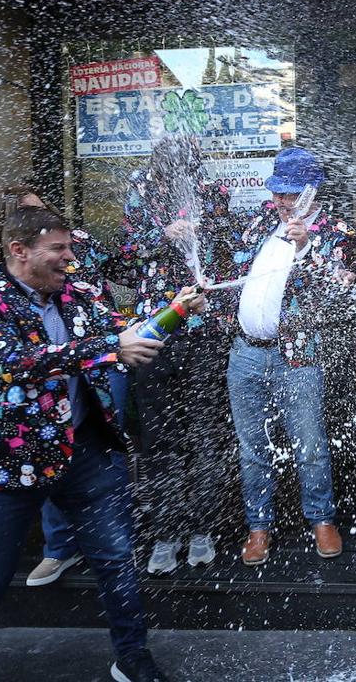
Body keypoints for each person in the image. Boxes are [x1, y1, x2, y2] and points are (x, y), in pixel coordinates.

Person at [0, 206, 200, 682]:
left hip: (87, 451)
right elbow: (12, 364)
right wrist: (107, 349)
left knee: (116, 561)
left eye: (70, 247)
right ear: (20, 251)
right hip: (14, 461)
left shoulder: (78, 294)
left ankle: (131, 657)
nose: (70, 257)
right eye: (59, 249)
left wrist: (178, 308)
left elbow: (126, 335)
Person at [0, 184, 133, 589]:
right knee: (52, 452)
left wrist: (168, 307)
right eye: (32, 216)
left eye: (45, 213)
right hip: (44, 386)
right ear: (14, 241)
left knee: (100, 453)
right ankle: (60, 548)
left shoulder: (74, 245)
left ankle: (111, 542)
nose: (47, 224)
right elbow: (8, 360)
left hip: (102, 360)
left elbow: (124, 266)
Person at [227, 147, 356, 566]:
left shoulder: (335, 233)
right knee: (253, 448)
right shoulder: (260, 224)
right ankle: (259, 527)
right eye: (278, 194)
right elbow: (230, 272)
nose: (282, 203)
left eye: (290, 195)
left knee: (311, 444)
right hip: (246, 353)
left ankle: (322, 519)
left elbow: (343, 293)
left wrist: (307, 250)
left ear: (311, 192)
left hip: (298, 356)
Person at [117, 135, 239, 574]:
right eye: (171, 171)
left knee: (205, 434)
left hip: (203, 335)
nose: (180, 177)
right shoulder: (139, 195)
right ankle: (165, 532)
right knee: (157, 439)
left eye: (188, 168)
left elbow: (228, 254)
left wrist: (215, 302)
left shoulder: (214, 195)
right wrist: (160, 234)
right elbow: (123, 257)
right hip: (154, 334)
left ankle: (204, 528)